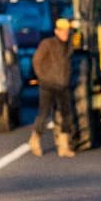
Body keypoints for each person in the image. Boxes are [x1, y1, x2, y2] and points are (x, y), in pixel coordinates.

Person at [30, 18, 78, 157]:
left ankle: (63, 146)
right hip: (48, 85)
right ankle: (35, 139)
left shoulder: (69, 46)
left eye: (67, 31)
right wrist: (43, 77)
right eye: (63, 31)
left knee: (67, 115)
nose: (65, 34)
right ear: (56, 31)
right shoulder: (47, 44)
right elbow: (37, 61)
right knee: (44, 114)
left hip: (63, 85)